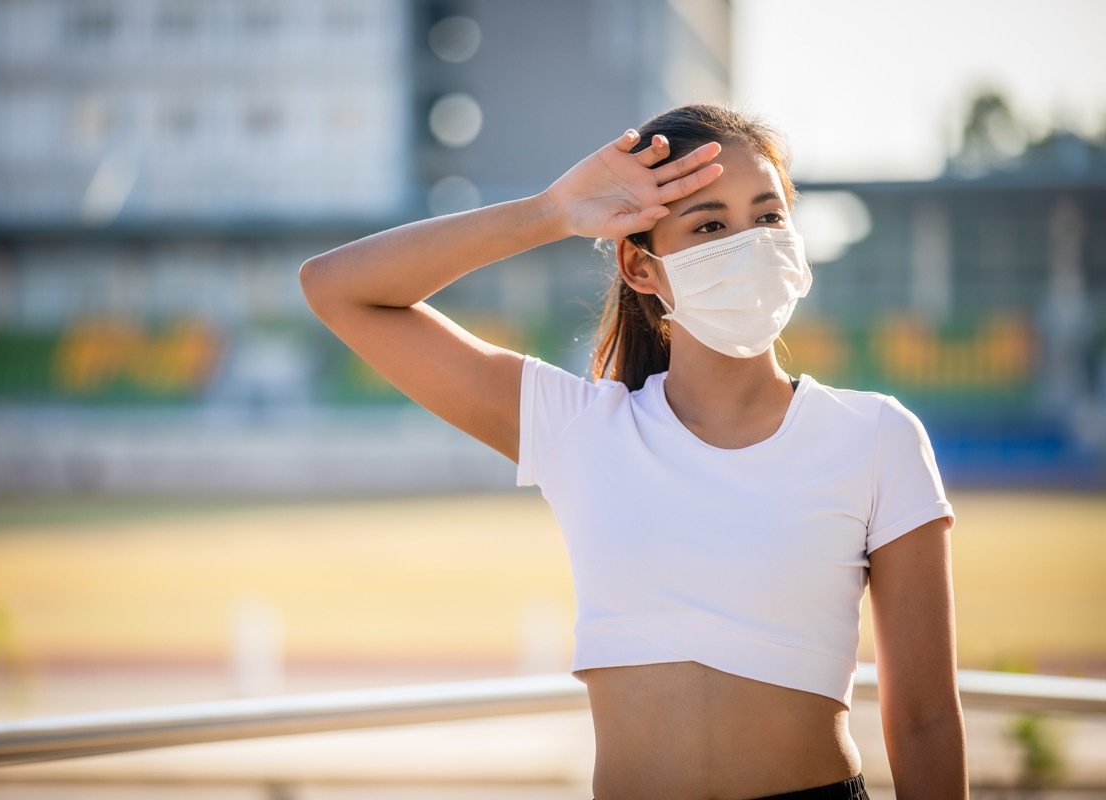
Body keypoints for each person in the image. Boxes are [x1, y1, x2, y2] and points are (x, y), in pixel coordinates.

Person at [299, 103, 967, 800]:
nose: (750, 245)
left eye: (768, 217)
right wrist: (551, 212)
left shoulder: (877, 435)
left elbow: (924, 722)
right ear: (639, 266)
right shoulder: (580, 428)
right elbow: (337, 288)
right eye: (710, 225)